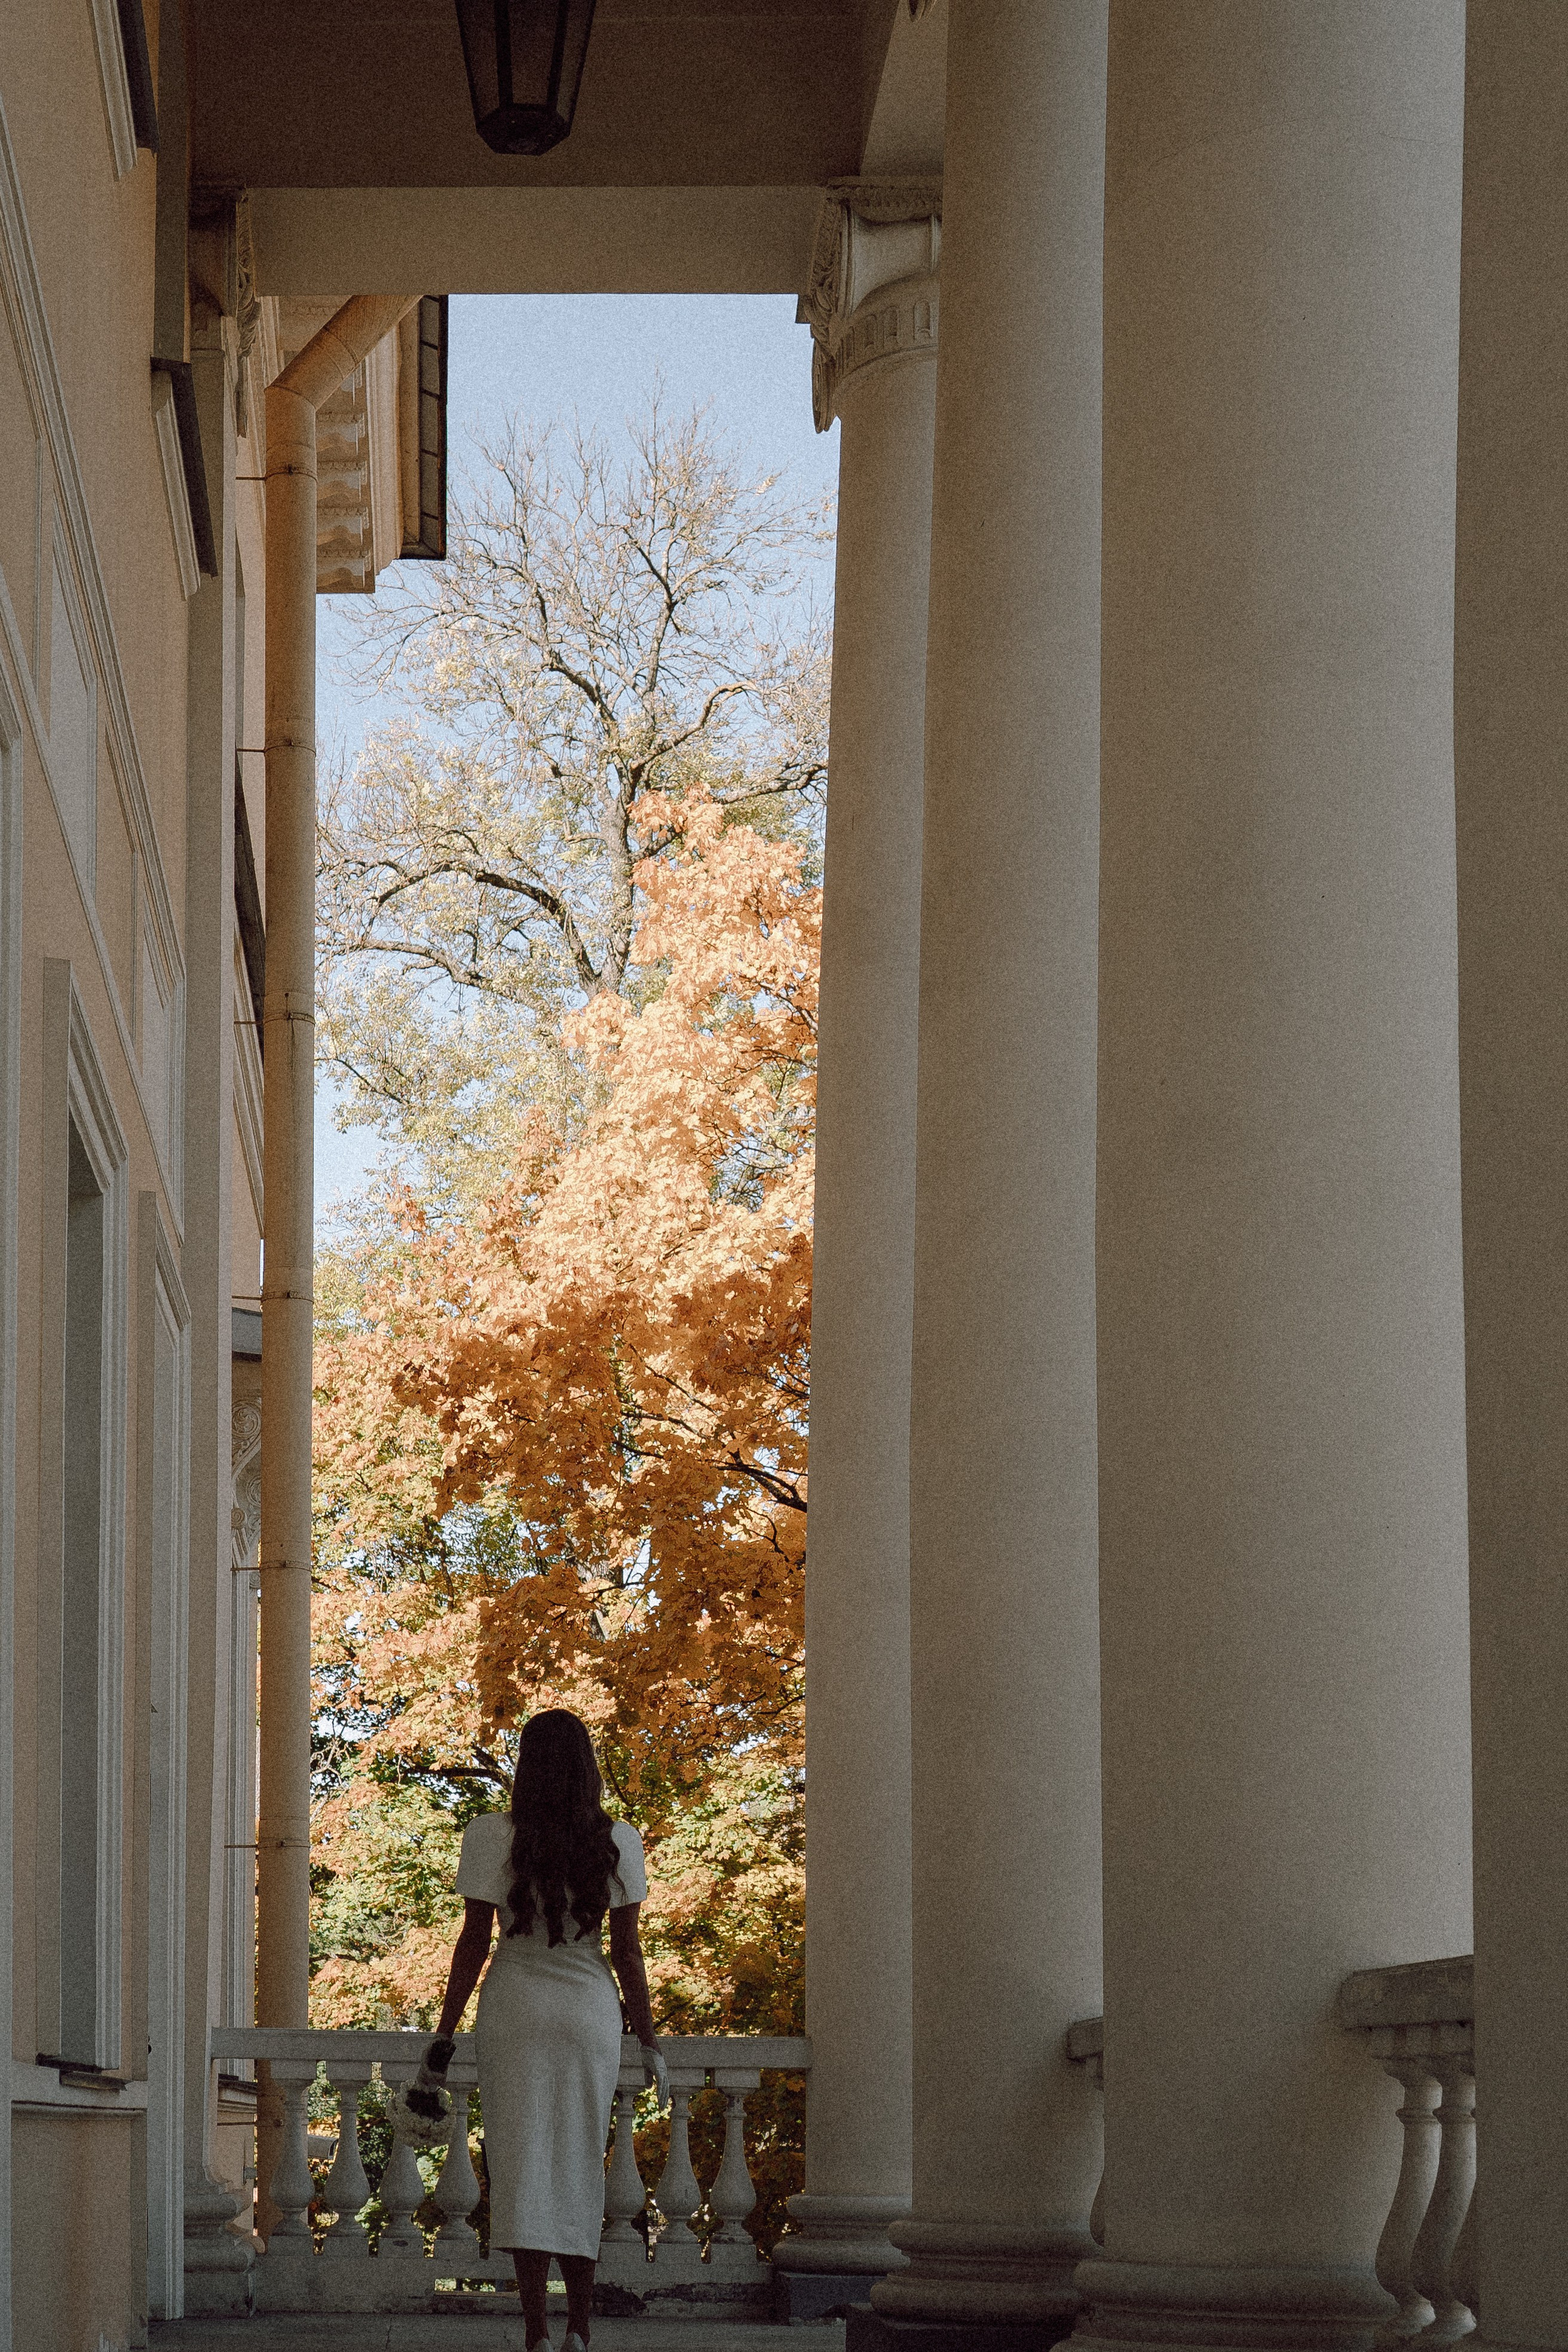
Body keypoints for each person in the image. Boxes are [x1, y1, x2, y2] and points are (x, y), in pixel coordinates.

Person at [415, 1709, 669, 2352]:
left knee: (521, 2165)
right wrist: (649, 2041)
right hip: (587, 2011)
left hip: (516, 2007)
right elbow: (629, 1954)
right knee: (582, 2162)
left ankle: (534, 2331)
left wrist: (443, 2035)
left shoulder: (488, 1835)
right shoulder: (620, 1841)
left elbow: (472, 1941)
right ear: (587, 1767)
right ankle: (579, 2330)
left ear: (527, 1765)